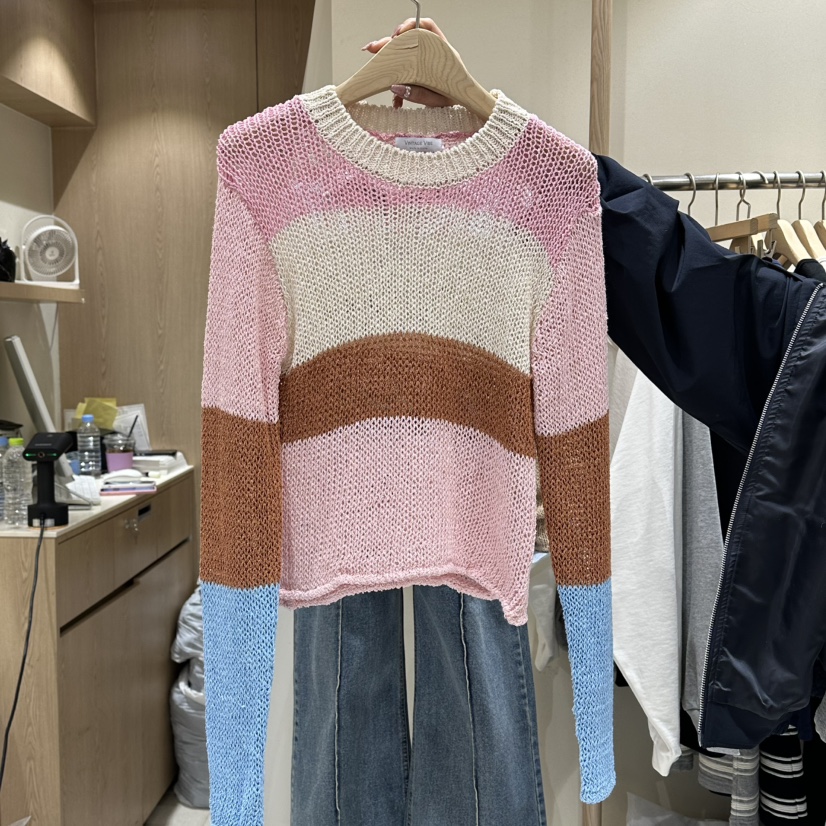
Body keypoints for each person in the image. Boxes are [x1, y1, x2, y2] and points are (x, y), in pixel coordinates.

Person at [294, 17, 826, 823]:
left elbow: (679, 304)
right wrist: (504, 143)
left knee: (456, 620)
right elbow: (685, 287)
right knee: (361, 643)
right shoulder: (273, 170)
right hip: (347, 456)